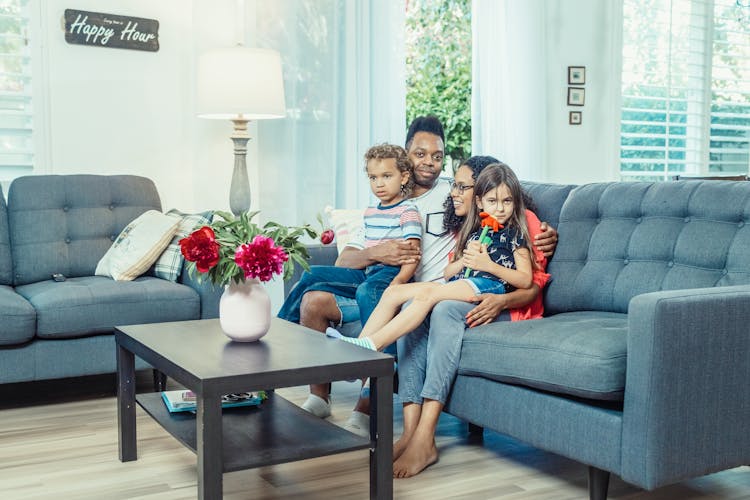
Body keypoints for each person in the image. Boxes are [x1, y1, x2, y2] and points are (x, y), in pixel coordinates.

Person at [277, 116, 558, 437]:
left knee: (379, 293)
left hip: (429, 290)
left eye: (437, 156)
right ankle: (314, 390)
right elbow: (346, 258)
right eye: (420, 154)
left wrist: (545, 234)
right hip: (398, 281)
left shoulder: (467, 202)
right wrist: (378, 253)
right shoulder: (391, 196)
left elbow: (524, 258)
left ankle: (367, 400)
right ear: (406, 158)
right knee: (315, 297)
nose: (430, 163)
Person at [390, 155, 553, 478]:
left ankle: (426, 435)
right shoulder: (473, 226)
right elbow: (457, 271)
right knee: (417, 307)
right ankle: (410, 431)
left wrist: (502, 301)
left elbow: (532, 285)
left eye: (461, 186)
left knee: (444, 308)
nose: (454, 193)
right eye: (456, 186)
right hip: (474, 295)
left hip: (513, 307)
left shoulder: (524, 221)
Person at [332, 162, 539, 352]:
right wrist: (464, 260)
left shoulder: (515, 233)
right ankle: (356, 356)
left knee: (426, 296)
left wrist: (489, 265)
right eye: (493, 201)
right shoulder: (476, 232)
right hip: (463, 282)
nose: (500, 208)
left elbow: (525, 279)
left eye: (507, 201)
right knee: (393, 292)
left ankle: (373, 345)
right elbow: (448, 273)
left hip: (487, 285)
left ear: (515, 202)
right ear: (480, 202)